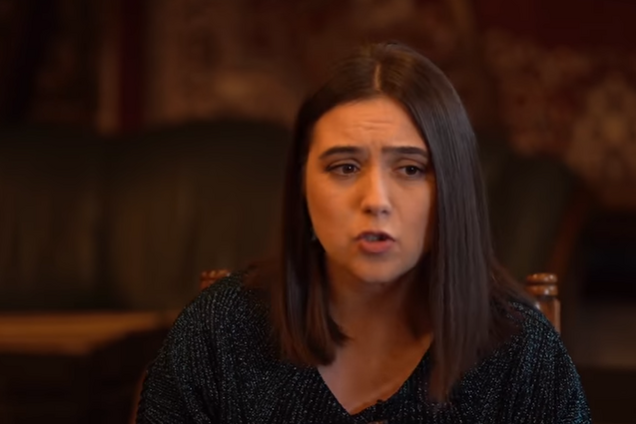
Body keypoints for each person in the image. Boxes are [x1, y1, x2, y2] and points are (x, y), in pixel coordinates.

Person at [136, 42, 590, 423]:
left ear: (453, 191)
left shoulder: (521, 355)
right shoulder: (218, 333)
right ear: (301, 186)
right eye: (345, 167)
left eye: (410, 169)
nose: (375, 199)